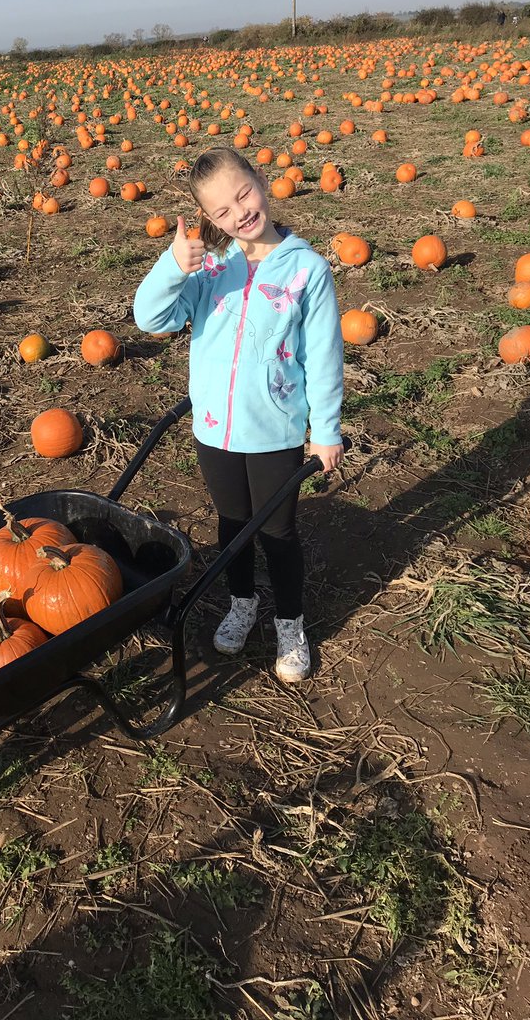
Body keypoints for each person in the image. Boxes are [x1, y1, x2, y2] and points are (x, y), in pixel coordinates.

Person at [133, 148, 344, 684]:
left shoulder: (307, 269)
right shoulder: (209, 268)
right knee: (232, 524)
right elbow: (151, 318)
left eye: (243, 194)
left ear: (262, 180)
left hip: (275, 430)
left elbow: (323, 357)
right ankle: (242, 602)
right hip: (214, 429)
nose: (240, 213)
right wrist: (173, 265)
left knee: (278, 532)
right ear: (209, 219)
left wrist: (325, 431)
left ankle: (290, 623)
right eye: (222, 211)